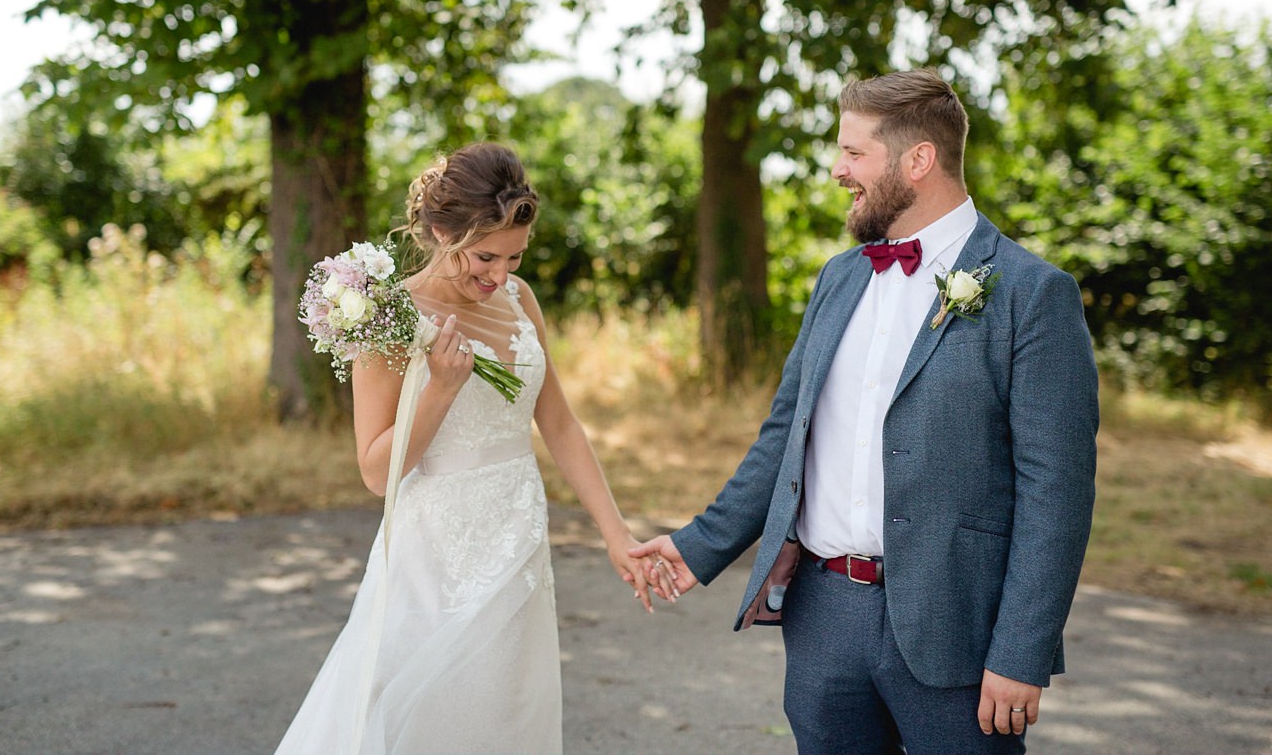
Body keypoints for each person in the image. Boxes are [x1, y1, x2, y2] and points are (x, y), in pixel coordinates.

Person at [633, 69, 1099, 754]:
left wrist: (1021, 653)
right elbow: (785, 438)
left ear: (919, 161)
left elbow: (1056, 493)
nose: (836, 169)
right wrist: (698, 543)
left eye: (854, 153)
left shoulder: (1032, 295)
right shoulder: (839, 276)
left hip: (957, 632)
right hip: (825, 619)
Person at [275, 142, 663, 755]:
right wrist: (440, 392)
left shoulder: (519, 300)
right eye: (484, 256)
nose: (499, 275)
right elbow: (376, 473)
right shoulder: (388, 316)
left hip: (518, 535)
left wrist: (614, 532)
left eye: (514, 257)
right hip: (434, 554)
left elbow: (558, 423)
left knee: (504, 714)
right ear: (438, 232)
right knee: (427, 717)